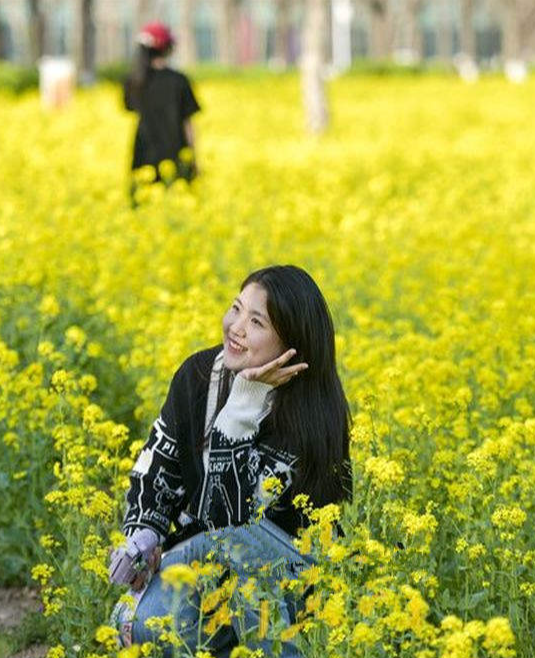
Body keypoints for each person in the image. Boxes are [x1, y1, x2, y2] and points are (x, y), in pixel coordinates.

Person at [109, 265, 353, 656]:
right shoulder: (198, 376)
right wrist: (144, 535)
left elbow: (231, 524)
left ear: (291, 345)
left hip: (286, 581)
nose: (235, 327)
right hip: (206, 565)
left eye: (256, 322)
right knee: (146, 626)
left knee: (245, 570)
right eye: (235, 309)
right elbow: (157, 468)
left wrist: (243, 403)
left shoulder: (311, 416)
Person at [123, 22, 201, 202]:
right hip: (176, 153)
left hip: (143, 154)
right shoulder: (179, 81)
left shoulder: (134, 81)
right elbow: (188, 123)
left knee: (143, 205)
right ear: (168, 48)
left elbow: (129, 108)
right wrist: (194, 159)